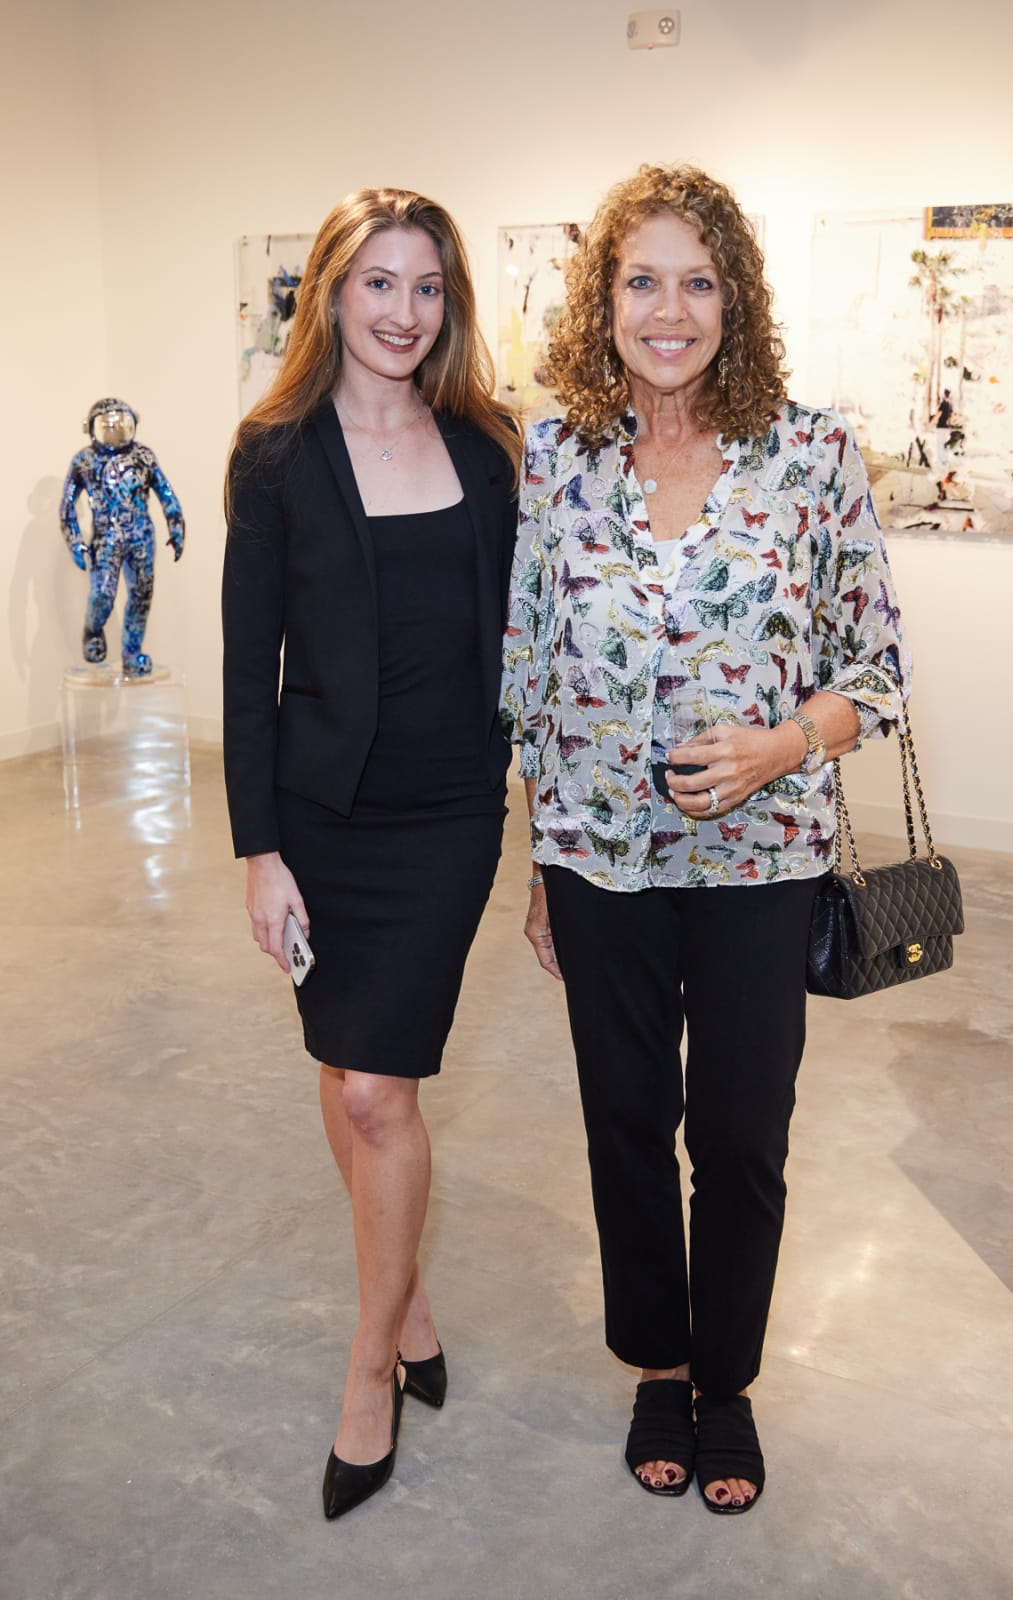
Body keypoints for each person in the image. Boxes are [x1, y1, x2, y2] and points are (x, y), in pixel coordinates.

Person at [501, 165, 909, 1515]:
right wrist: (537, 862)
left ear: (735, 298)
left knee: (739, 1132)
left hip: (761, 864)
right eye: (642, 280)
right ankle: (658, 1365)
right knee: (627, 1118)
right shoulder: (555, 459)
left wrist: (786, 743)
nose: (668, 310)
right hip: (598, 859)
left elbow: (878, 667)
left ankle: (725, 1381)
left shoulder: (812, 454)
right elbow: (527, 671)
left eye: (697, 280)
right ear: (601, 300)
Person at [223, 187, 520, 1520]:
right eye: (380, 285)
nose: (405, 313)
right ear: (332, 294)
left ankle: (366, 1361)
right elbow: (246, 674)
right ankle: (407, 1304)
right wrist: (258, 851)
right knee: (349, 1072)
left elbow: (528, 650)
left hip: (449, 814)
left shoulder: (488, 449)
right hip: (322, 820)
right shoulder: (276, 454)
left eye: (428, 288)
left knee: (371, 1097)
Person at [60, 397, 185, 675]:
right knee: (102, 594)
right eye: (106, 422)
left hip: (141, 535)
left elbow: (165, 493)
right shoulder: (85, 461)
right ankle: (93, 630)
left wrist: (176, 524)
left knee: (141, 595)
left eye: (121, 421)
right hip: (105, 538)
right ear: (91, 426)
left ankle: (132, 652)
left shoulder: (143, 456)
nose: (114, 427)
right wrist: (75, 542)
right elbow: (67, 506)